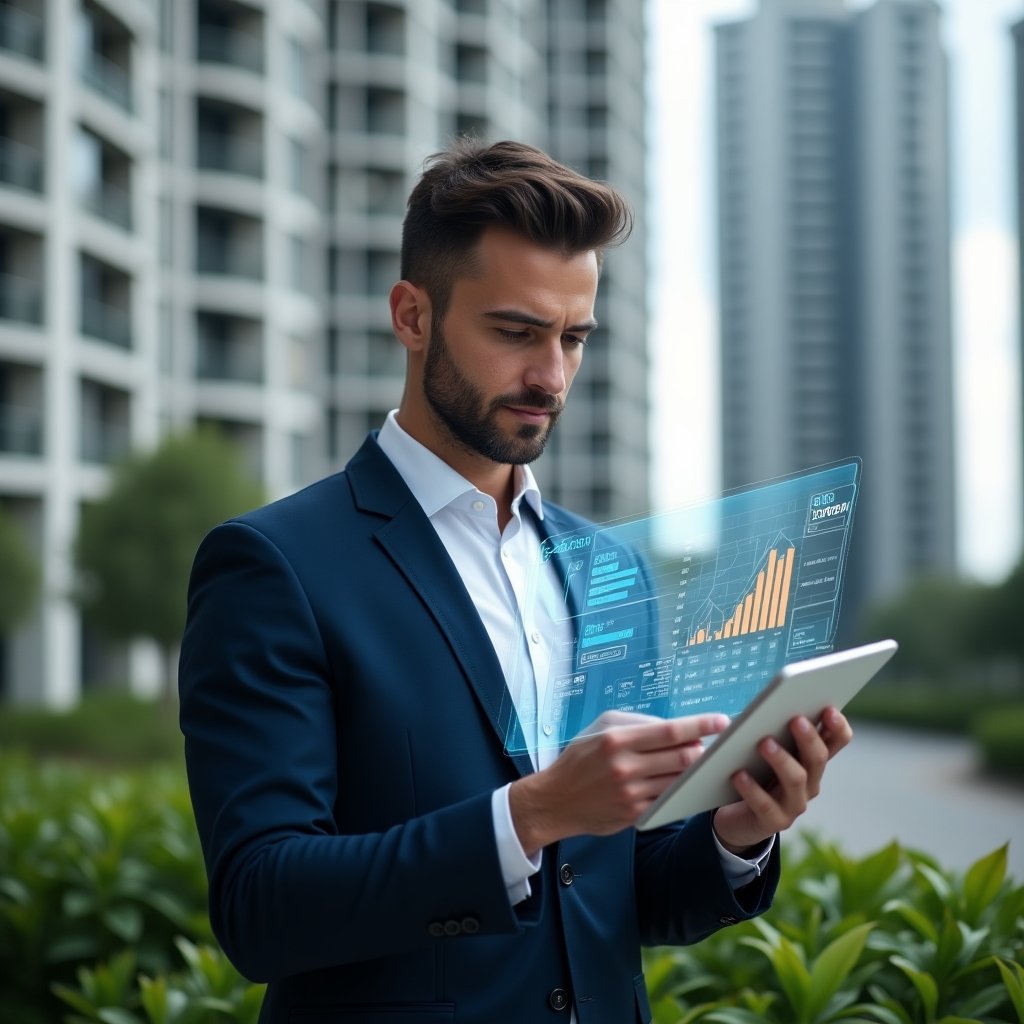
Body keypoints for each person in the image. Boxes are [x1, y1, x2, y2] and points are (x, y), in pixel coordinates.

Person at [178, 139, 853, 1023]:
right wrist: (527, 815)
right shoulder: (275, 566)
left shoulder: (609, 571)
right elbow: (261, 908)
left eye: (573, 337)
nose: (552, 376)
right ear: (412, 316)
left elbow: (614, 893)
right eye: (516, 332)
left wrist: (739, 834)